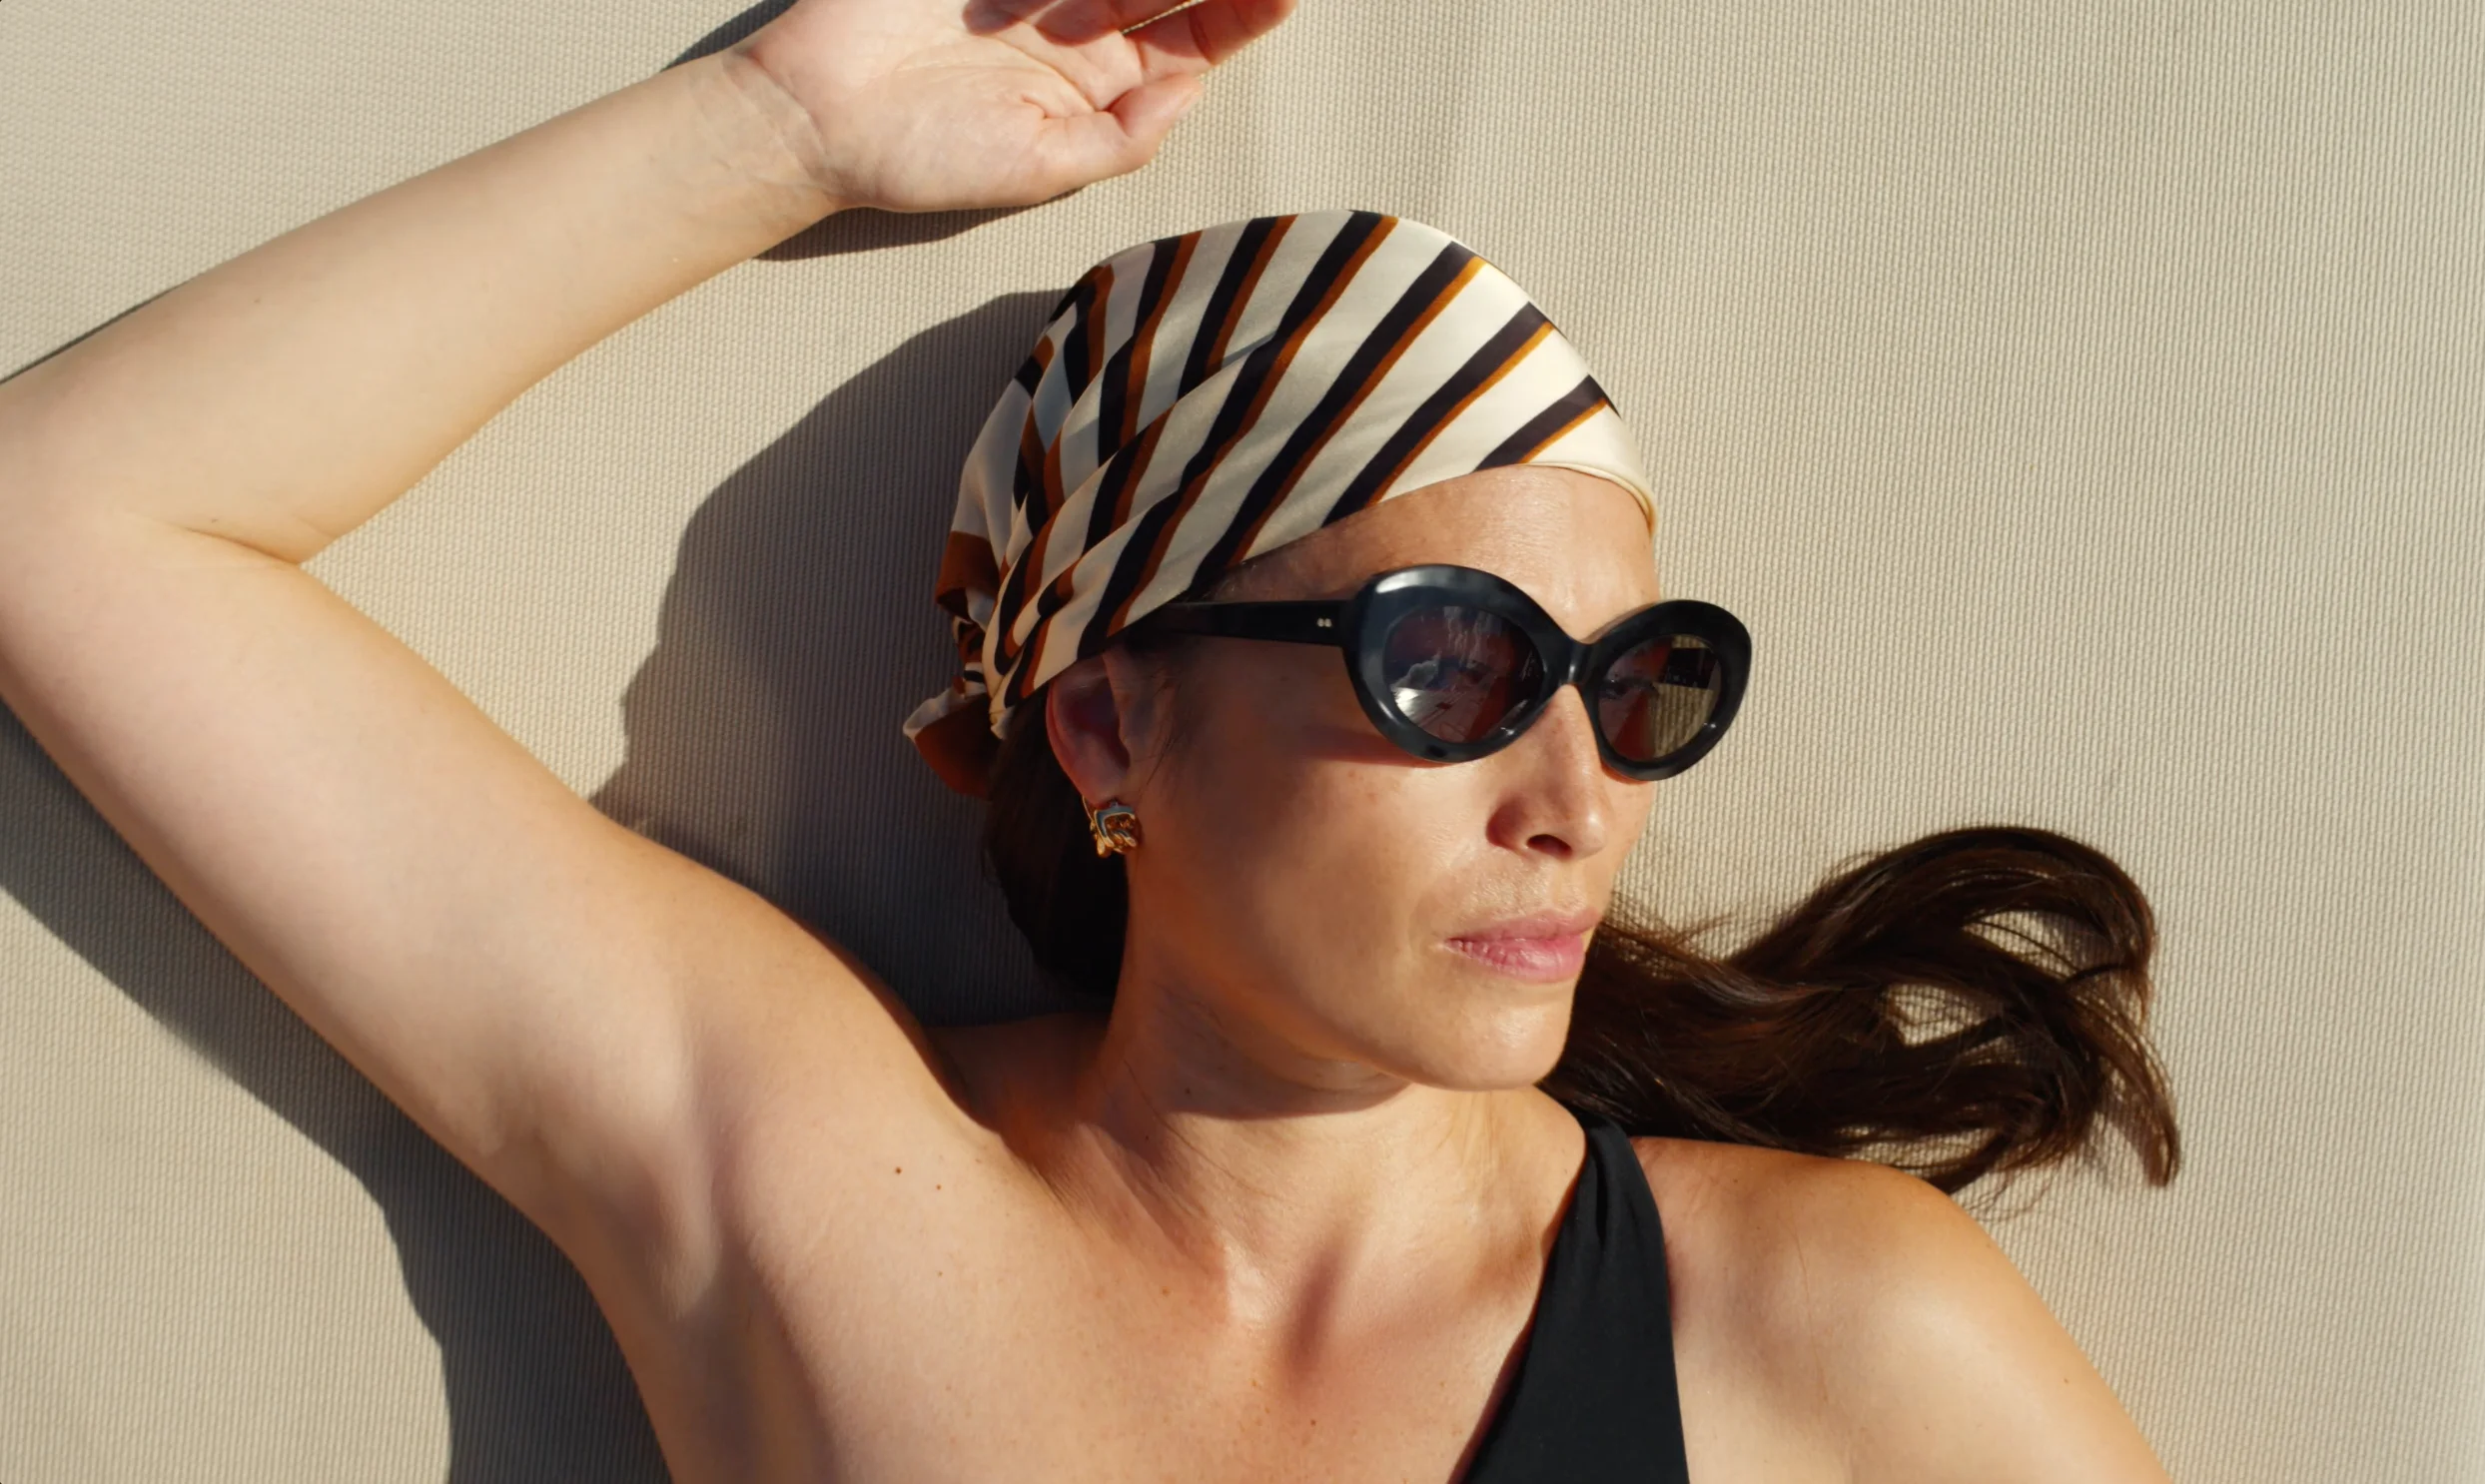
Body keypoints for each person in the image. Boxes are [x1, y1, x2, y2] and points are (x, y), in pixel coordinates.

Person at [0, 0, 2183, 1477]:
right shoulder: (823, 1191)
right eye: (1453, 664)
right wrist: (781, 129)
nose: (1579, 797)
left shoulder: (1818, 1324)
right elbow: (68, 518)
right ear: (1111, 719)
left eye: (1639, 683)